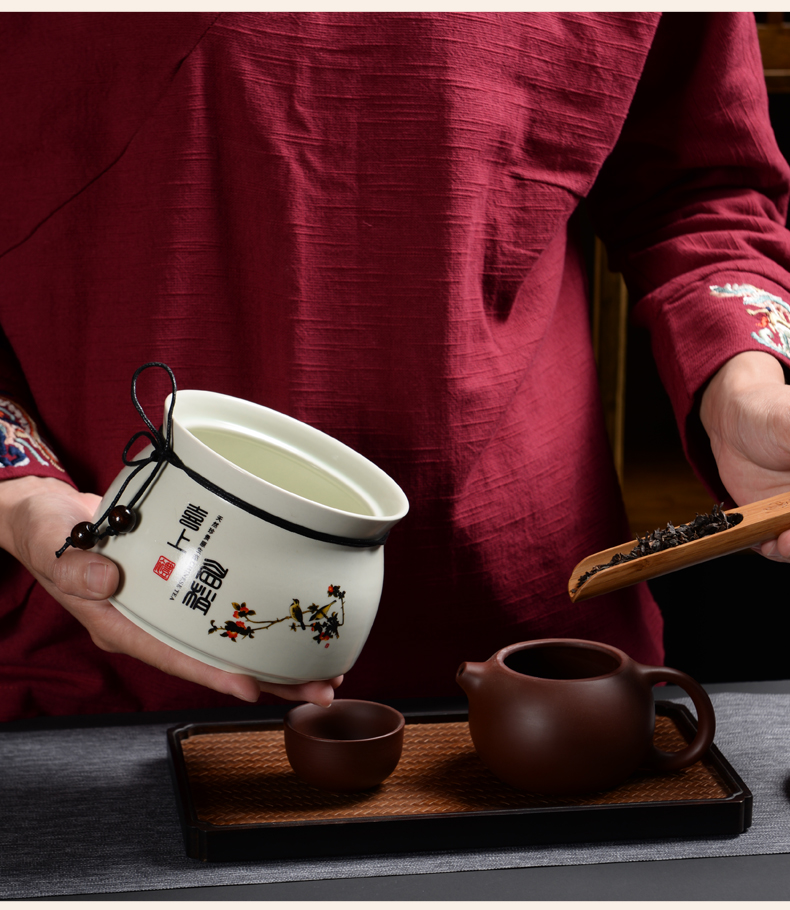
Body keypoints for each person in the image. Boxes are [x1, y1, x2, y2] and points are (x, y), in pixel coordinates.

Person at [2, 11, 790, 721]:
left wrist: (743, 387)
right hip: (100, 654)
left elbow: (703, 188)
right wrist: (22, 494)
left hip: (540, 665)